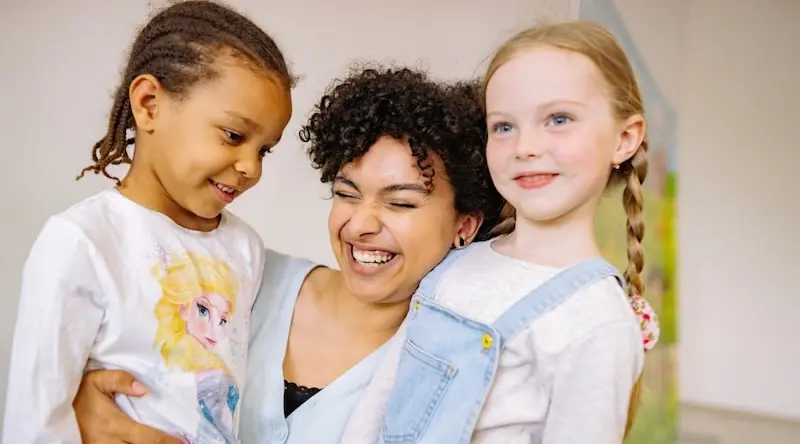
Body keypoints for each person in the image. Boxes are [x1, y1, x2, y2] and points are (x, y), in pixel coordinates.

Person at [68, 66, 505, 444]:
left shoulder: (447, 363)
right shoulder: (241, 277)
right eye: (346, 194)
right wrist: (82, 405)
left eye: (400, 203)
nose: (361, 224)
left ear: (464, 225)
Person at [341, 21, 661, 444]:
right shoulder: (461, 259)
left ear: (625, 138)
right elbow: (379, 401)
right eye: (504, 126)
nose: (525, 146)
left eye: (558, 119)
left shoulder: (596, 319)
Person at [1, 1, 294, 443]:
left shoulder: (243, 247)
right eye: (234, 135)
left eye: (264, 149)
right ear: (149, 104)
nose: (251, 167)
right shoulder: (83, 241)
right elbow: (35, 419)